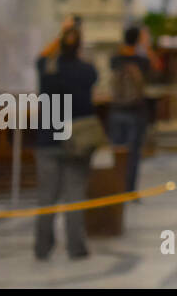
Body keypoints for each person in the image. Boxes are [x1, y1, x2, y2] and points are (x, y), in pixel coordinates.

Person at [34, 16, 99, 260]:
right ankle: (75, 247)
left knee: (46, 197)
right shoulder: (86, 71)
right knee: (75, 196)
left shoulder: (48, 69)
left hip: (48, 140)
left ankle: (42, 247)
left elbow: (41, 57)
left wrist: (62, 36)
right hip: (76, 141)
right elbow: (93, 75)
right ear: (80, 46)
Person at [107, 25, 152, 196]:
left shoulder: (116, 59)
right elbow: (154, 67)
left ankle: (117, 187)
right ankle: (130, 190)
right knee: (133, 154)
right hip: (135, 111)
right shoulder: (142, 61)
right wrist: (145, 46)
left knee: (117, 152)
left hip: (117, 110)